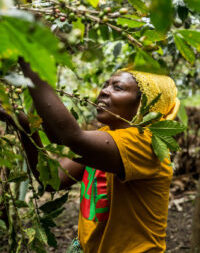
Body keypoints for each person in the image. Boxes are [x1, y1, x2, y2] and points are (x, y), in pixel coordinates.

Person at [0, 59, 180, 253]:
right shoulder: (107, 136)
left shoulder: (146, 144)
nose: (104, 91)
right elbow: (53, 180)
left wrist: (30, 61)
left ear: (145, 104)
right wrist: (26, 127)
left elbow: (69, 138)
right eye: (106, 85)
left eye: (118, 87)